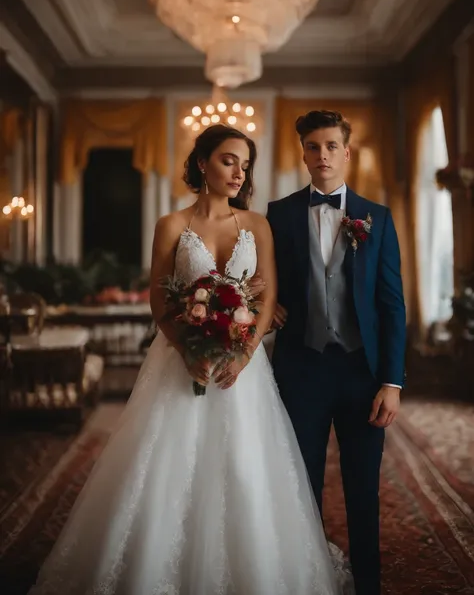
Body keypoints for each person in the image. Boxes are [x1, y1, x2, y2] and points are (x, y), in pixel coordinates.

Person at [28, 124, 353, 595]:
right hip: (180, 363)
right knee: (165, 466)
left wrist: (243, 356)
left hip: (244, 367)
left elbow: (267, 300)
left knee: (246, 466)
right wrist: (186, 350)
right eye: (228, 160)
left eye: (245, 164)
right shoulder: (172, 226)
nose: (239, 172)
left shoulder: (256, 224)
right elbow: (160, 302)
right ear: (202, 163)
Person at [266, 110, 406, 595]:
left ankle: (368, 586)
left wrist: (392, 382)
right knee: (301, 488)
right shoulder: (278, 214)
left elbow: (392, 304)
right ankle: (305, 582)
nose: (321, 155)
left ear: (347, 152)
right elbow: (258, 276)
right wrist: (268, 304)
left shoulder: (378, 218)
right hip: (299, 369)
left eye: (330, 146)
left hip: (361, 374)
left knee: (363, 489)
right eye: (312, 146)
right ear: (302, 153)